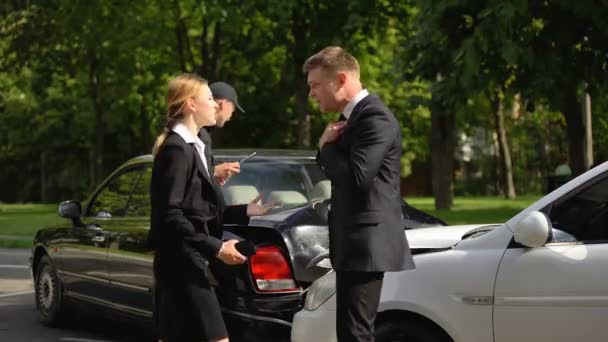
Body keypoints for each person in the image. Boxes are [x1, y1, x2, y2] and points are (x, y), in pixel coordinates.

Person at [303, 47, 414, 341]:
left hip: (366, 244)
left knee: (355, 333)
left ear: (340, 79)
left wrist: (325, 148)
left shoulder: (375, 118)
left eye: (315, 85)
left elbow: (356, 178)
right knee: (351, 332)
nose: (312, 94)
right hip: (355, 244)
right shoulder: (354, 118)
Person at [149, 73, 271, 342]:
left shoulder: (193, 148)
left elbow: (198, 209)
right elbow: (169, 215)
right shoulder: (177, 149)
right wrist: (216, 247)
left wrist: (244, 212)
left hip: (184, 260)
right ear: (191, 105)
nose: (215, 105)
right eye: (209, 99)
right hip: (182, 263)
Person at [198, 81, 245, 186]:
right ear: (222, 104)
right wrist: (214, 171)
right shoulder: (198, 133)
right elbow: (185, 177)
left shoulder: (201, 131)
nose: (230, 117)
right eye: (232, 110)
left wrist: (214, 176)